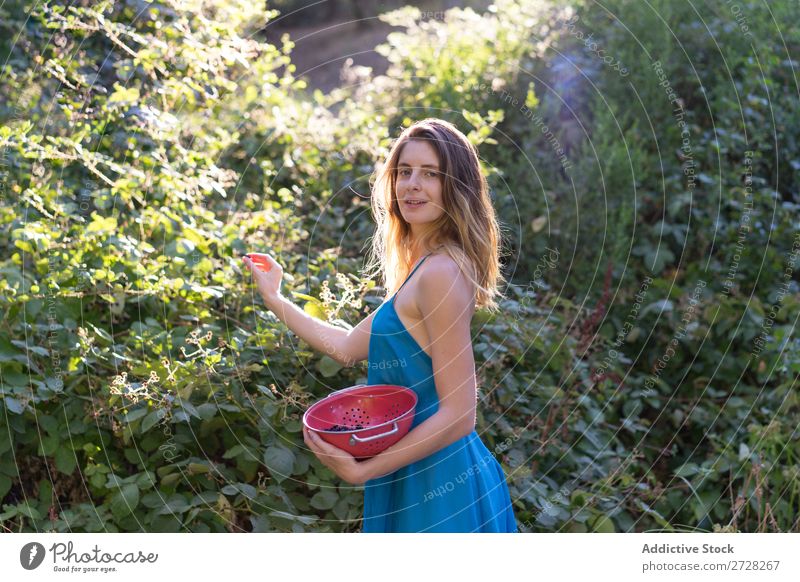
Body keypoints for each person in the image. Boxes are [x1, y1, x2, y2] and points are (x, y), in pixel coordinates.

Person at [243, 118, 518, 533]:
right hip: (413, 468)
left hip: (440, 483)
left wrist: (361, 471)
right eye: (404, 172)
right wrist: (275, 299)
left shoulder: (441, 272)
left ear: (456, 187)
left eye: (430, 174)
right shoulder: (425, 268)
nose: (412, 184)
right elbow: (347, 347)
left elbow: (460, 415)